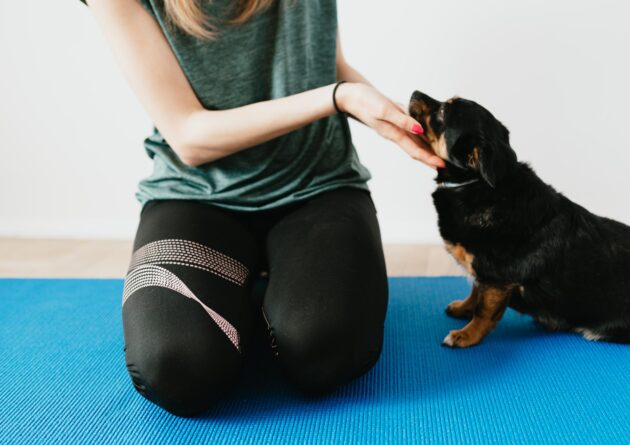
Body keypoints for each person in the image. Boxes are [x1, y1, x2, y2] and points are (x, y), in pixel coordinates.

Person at [80, 0, 445, 417]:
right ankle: (254, 290)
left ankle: (268, 294)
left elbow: (329, 62)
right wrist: (339, 98)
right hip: (195, 194)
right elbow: (189, 135)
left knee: (327, 352)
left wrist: (392, 117)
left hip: (317, 185)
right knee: (176, 368)